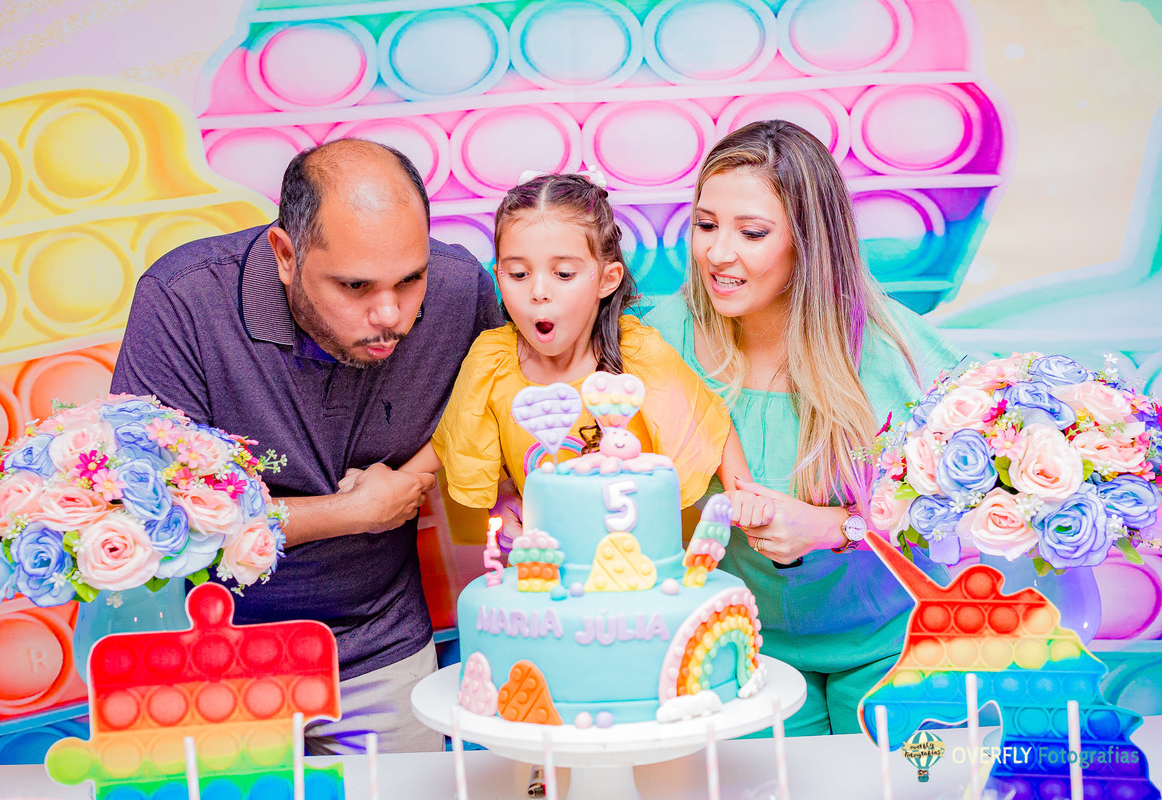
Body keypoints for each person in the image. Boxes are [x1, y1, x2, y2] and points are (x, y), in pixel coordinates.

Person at [110, 139, 503, 753]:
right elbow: (148, 517)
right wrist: (352, 513)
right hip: (219, 660)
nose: (391, 313)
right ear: (286, 255)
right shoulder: (184, 301)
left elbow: (496, 411)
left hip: (384, 648)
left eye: (410, 278)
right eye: (355, 285)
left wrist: (416, 475)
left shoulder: (458, 289)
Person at [645, 120, 964, 735]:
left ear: (809, 243)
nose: (717, 253)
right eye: (706, 225)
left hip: (892, 647)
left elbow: (971, 505)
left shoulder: (893, 351)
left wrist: (835, 527)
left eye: (753, 232)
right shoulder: (663, 336)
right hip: (742, 655)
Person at [405, 171, 765, 534]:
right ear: (498, 276)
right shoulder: (492, 361)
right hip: (543, 564)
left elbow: (709, 423)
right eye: (518, 274)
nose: (539, 292)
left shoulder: (636, 356)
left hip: (630, 564)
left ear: (607, 279)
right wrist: (397, 483)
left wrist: (743, 494)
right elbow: (453, 439)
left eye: (563, 274)